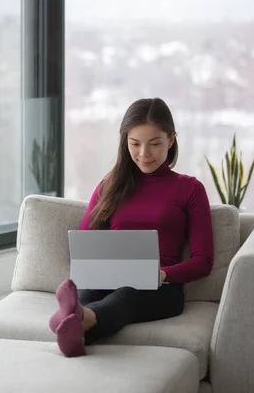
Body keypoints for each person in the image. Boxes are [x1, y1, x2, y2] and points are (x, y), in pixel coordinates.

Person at [49, 97, 214, 357]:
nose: (144, 154)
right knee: (88, 291)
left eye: (155, 144)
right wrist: (98, 268)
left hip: (162, 290)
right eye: (135, 144)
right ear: (125, 141)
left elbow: (203, 261)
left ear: (171, 140)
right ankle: (76, 325)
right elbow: (82, 245)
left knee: (126, 295)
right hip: (109, 279)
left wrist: (161, 274)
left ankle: (73, 319)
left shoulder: (190, 189)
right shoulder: (110, 185)